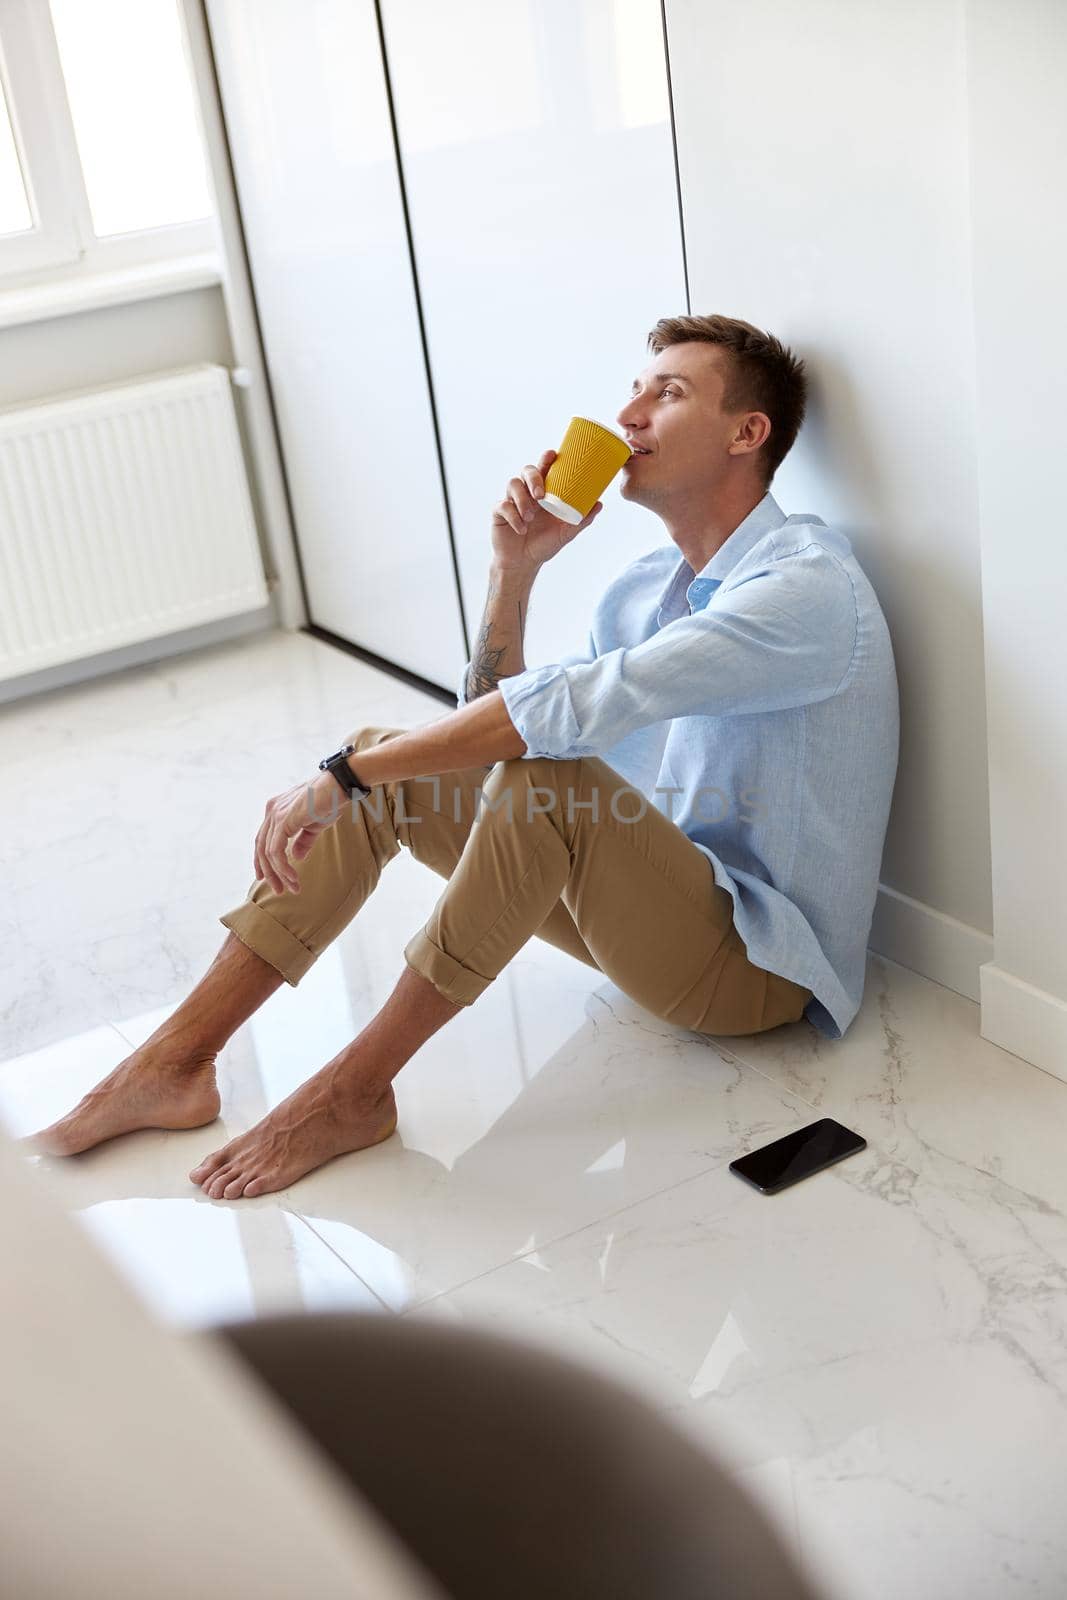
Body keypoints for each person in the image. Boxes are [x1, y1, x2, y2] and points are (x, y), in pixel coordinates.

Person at [26, 314, 899, 1201]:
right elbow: (498, 729)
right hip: (654, 913)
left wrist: (340, 778)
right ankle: (174, 1064)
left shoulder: (801, 591)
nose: (630, 412)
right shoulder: (644, 589)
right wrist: (512, 571)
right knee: (386, 758)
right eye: (634, 388)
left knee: (431, 768)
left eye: (667, 393)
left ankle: (350, 1094)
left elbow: (550, 725)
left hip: (755, 969)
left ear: (747, 434)